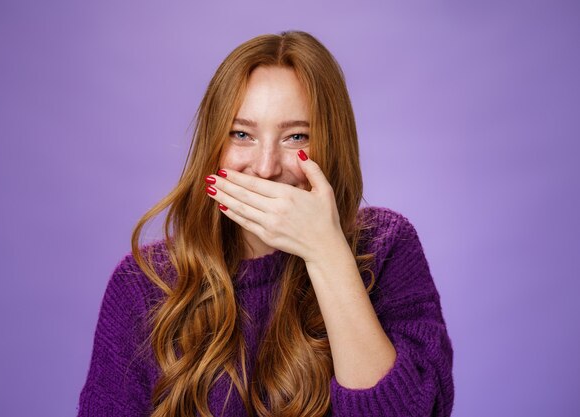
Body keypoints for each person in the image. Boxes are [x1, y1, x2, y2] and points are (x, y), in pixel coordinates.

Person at [77, 30, 454, 417]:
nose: (266, 168)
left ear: (332, 144)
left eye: (296, 136)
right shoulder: (144, 284)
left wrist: (327, 254)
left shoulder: (386, 249)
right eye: (242, 134)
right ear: (214, 146)